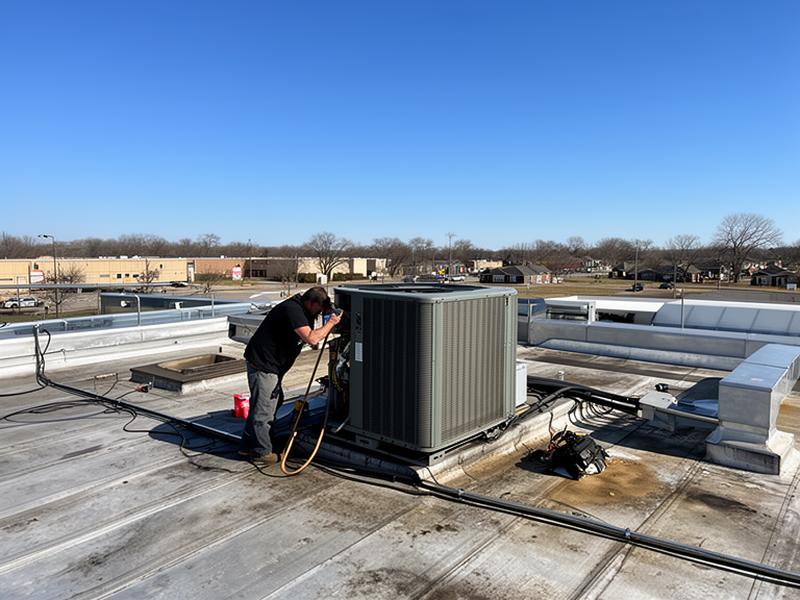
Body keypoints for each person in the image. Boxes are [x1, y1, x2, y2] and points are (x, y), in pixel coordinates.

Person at [239, 286, 341, 464]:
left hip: (273, 366)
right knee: (264, 410)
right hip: (263, 365)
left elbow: (311, 337)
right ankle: (261, 452)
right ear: (310, 303)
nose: (318, 314)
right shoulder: (292, 309)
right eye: (318, 309)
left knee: (271, 403)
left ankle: (247, 445)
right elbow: (312, 338)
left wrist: (327, 313)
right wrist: (331, 323)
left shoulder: (305, 310)